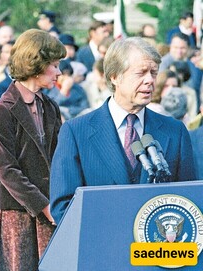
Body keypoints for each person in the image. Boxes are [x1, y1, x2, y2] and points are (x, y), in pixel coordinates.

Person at [50, 37, 196, 224]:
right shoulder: (76, 132)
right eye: (141, 73)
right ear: (114, 76)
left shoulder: (175, 131)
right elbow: (63, 206)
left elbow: (189, 201)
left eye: (153, 73)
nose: (150, 80)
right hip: (100, 246)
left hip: (155, 250)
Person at [0, 29, 65, 271]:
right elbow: (7, 170)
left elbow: (58, 159)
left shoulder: (50, 106)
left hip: (48, 210)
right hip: (15, 214)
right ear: (37, 64)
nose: (59, 72)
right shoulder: (3, 110)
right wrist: (44, 206)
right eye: (55, 65)